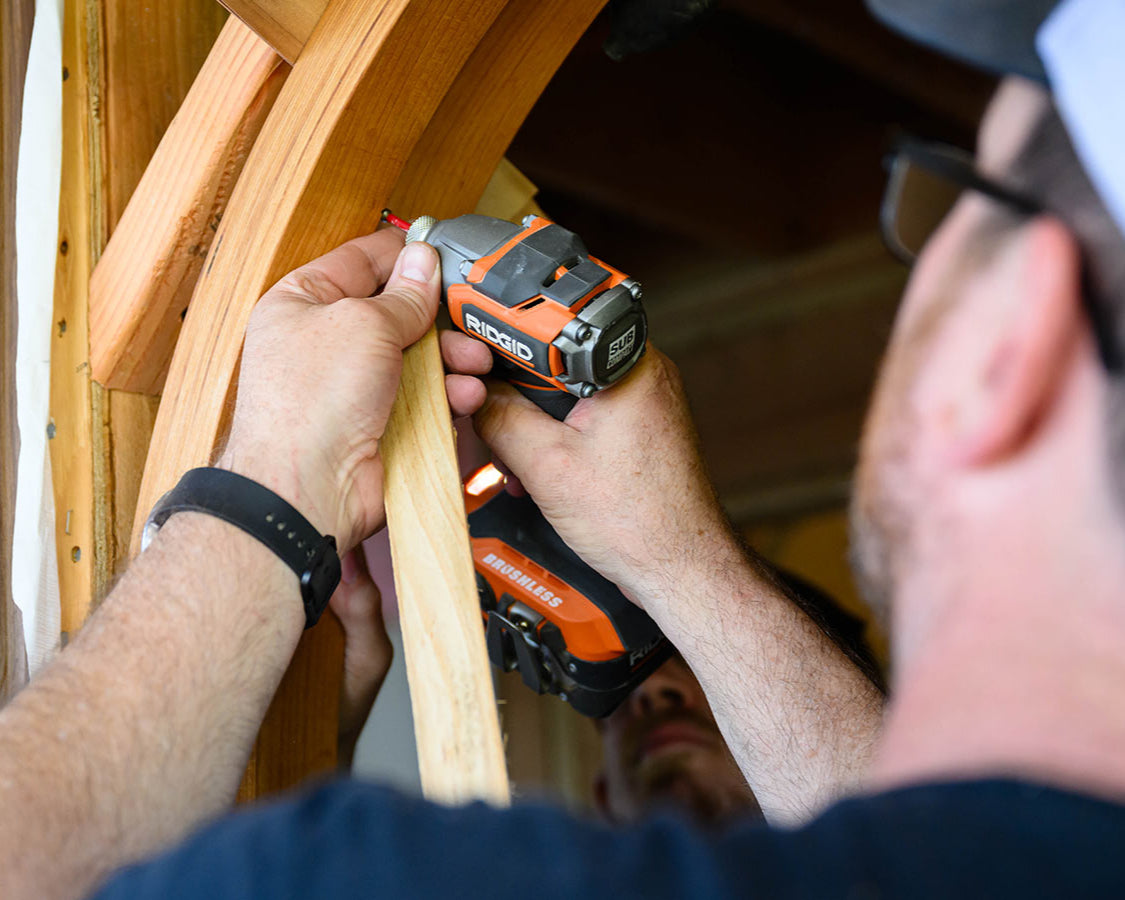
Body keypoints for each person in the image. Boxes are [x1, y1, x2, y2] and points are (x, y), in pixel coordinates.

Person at [3, 0, 1125, 896]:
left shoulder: (382, 875)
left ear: (1006, 353)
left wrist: (265, 496)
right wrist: (683, 565)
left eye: (940, 194)